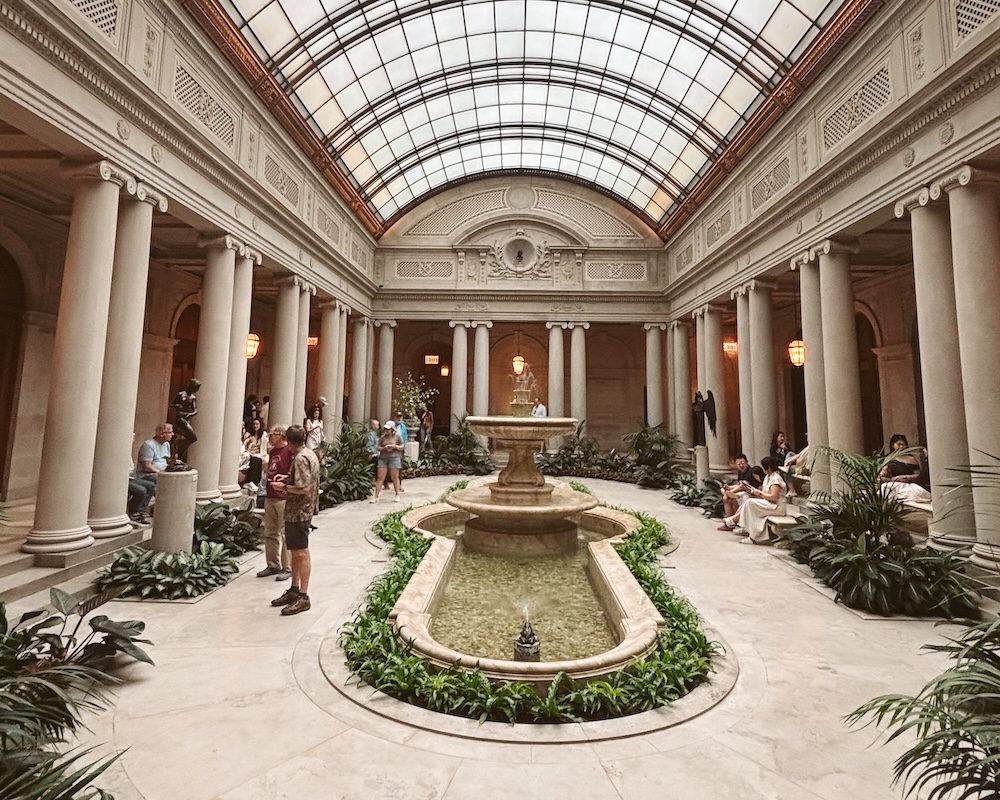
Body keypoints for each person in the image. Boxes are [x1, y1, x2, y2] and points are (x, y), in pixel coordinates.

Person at [269, 424, 320, 616]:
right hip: (300, 511)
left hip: (299, 512)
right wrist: (287, 479)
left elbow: (303, 488)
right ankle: (294, 589)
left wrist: (282, 487)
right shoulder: (309, 454)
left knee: (300, 552)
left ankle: (303, 596)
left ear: (288, 441)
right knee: (296, 551)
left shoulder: (300, 458)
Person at [721, 456, 788, 544]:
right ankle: (744, 527)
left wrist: (759, 493)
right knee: (748, 503)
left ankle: (744, 529)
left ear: (768, 467)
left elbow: (773, 497)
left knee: (750, 503)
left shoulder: (776, 479)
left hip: (776, 507)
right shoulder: (768, 477)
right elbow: (765, 493)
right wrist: (752, 491)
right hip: (769, 503)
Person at [257, 425, 293, 581]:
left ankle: (288, 567)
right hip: (270, 495)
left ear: (281, 436)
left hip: (283, 497)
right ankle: (272, 564)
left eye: (273, 434)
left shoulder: (289, 452)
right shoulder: (272, 452)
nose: (270, 437)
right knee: (270, 531)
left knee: (285, 532)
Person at [878, 433, 931, 503]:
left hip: (909, 484)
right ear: (893, 445)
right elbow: (883, 475)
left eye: (903, 444)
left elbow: (918, 475)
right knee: (885, 487)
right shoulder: (889, 458)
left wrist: (906, 477)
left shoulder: (911, 459)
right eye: (899, 444)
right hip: (893, 482)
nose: (901, 447)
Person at [720, 453, 761, 521]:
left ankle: (731, 520)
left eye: (743, 463)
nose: (741, 465)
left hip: (751, 493)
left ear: (747, 462)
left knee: (730, 498)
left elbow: (743, 486)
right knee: (725, 498)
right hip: (742, 490)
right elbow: (739, 484)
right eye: (738, 464)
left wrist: (731, 491)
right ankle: (729, 518)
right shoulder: (740, 472)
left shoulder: (752, 471)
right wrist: (729, 487)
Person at [370, 421, 403, 503]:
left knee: (395, 477)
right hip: (383, 458)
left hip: (394, 458)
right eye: (386, 429)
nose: (386, 431)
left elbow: (402, 446)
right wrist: (384, 448)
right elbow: (378, 447)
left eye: (388, 429)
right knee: (380, 477)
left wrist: (394, 447)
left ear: (392, 429)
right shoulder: (382, 438)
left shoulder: (397, 436)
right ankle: (376, 496)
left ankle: (397, 494)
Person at [242, 418, 265, 487]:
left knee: (257, 460)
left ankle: (254, 482)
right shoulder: (248, 435)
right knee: (253, 460)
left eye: (257, 424)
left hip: (259, 454)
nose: (255, 426)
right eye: (254, 424)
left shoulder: (263, 435)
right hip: (249, 454)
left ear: (260, 425)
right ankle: (250, 481)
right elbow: (245, 446)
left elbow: (265, 449)